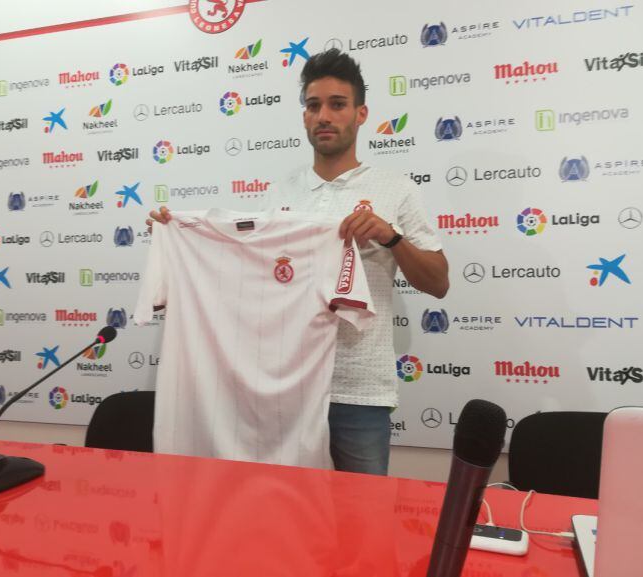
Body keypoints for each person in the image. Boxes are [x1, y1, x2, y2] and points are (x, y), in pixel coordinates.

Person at [148, 49, 449, 475]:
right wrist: (181, 237)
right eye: (313, 105)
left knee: (361, 511)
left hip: (358, 392)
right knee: (285, 507)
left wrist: (392, 237)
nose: (324, 116)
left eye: (337, 104)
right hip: (284, 388)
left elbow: (438, 283)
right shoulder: (280, 194)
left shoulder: (396, 189)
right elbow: (245, 278)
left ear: (361, 114)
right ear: (304, 116)